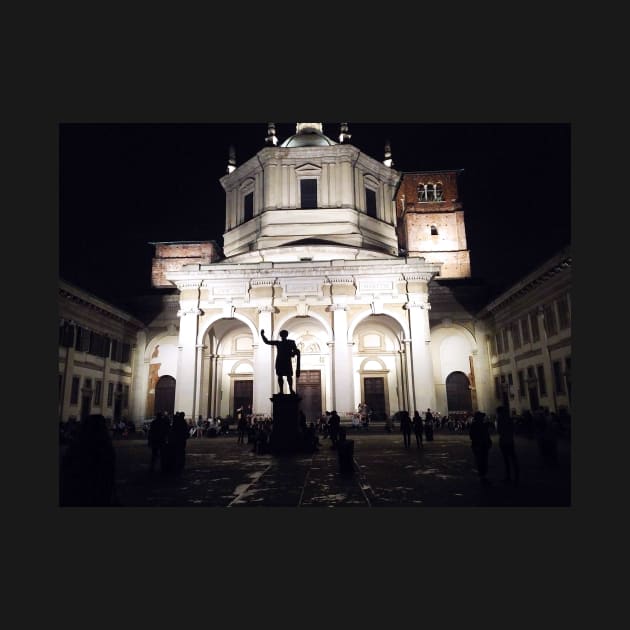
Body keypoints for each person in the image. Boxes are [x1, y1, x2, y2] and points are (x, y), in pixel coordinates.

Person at [60, 413, 116, 506]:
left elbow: (66, 471)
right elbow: (108, 477)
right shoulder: (106, 448)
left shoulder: (76, 447)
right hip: (98, 497)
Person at [260, 329, 301, 394]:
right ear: (281, 335)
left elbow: (295, 350)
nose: (283, 336)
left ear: (286, 335)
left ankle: (290, 389)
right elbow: (267, 342)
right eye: (282, 334)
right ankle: (282, 391)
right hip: (280, 361)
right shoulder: (278, 343)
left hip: (286, 361)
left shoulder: (291, 342)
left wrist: (295, 352)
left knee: (289, 375)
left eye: (284, 334)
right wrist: (262, 335)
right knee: (280, 375)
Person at [496, 406, 519, 484]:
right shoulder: (509, 418)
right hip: (510, 440)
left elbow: (499, 430)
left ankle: (508, 476)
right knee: (513, 458)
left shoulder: (500, 419)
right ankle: (516, 475)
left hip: (503, 440)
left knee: (506, 459)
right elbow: (513, 429)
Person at [469, 411, 492, 485]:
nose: (482, 418)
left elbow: (486, 435)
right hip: (479, 446)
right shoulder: (477, 425)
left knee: (483, 461)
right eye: (481, 417)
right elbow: (473, 436)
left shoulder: (479, 425)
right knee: (481, 461)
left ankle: (483, 475)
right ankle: (482, 476)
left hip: (482, 445)